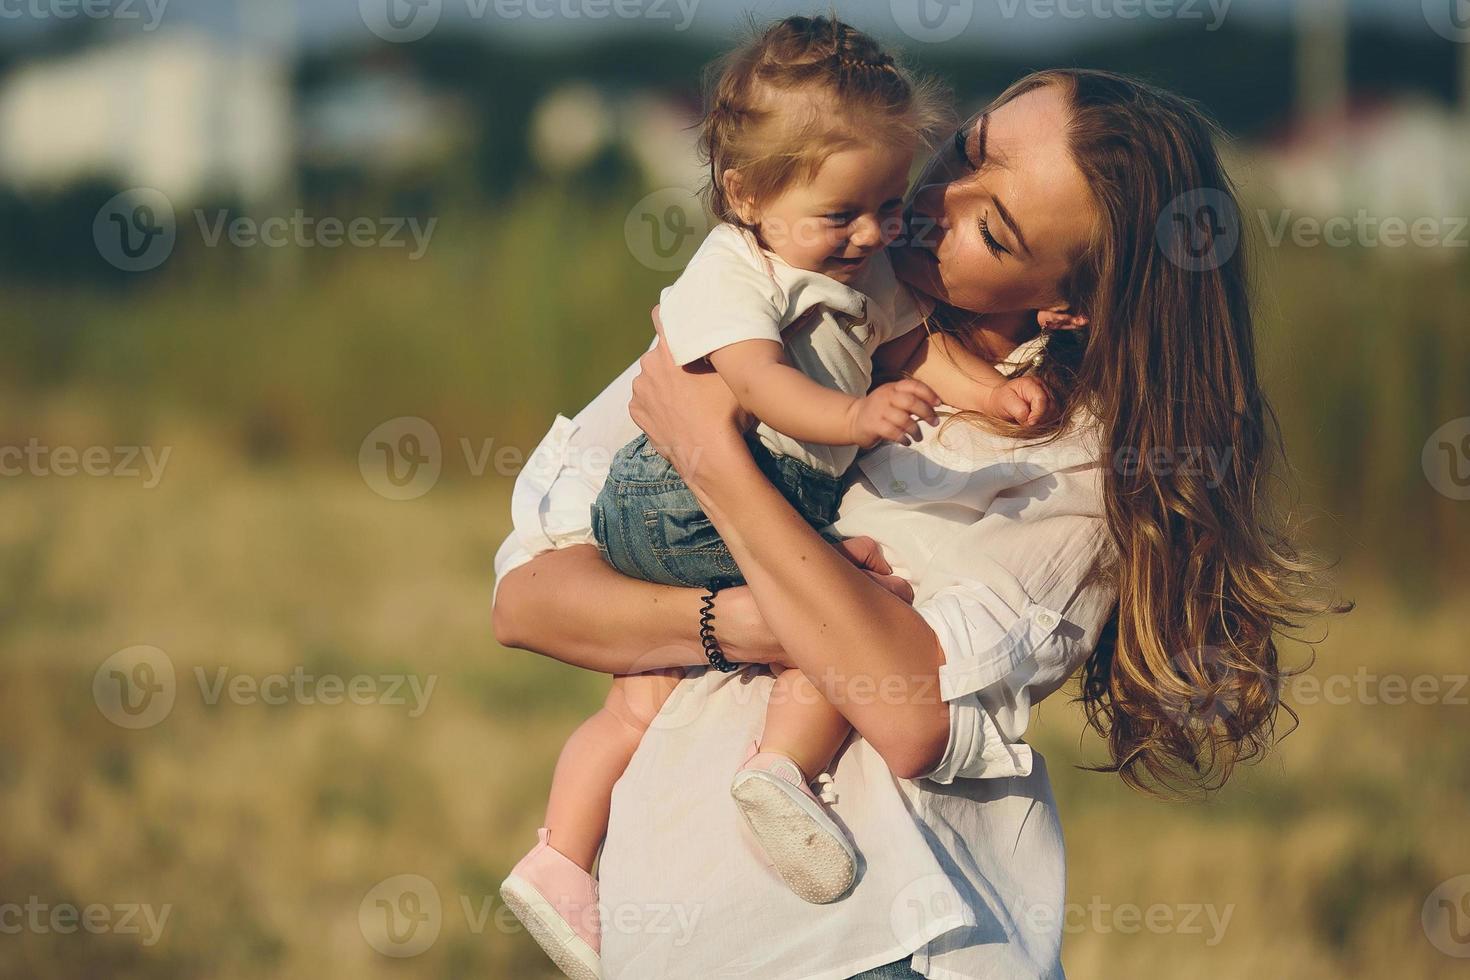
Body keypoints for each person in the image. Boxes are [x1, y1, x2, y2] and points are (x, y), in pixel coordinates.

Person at [494, 67, 1338, 980]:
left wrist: (716, 464)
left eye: (993, 226)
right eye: (967, 149)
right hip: (674, 936)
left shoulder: (1080, 462)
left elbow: (909, 714)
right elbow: (530, 599)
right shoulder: (780, 300)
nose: (937, 200)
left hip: (879, 944)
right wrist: (734, 620)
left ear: (1069, 303)